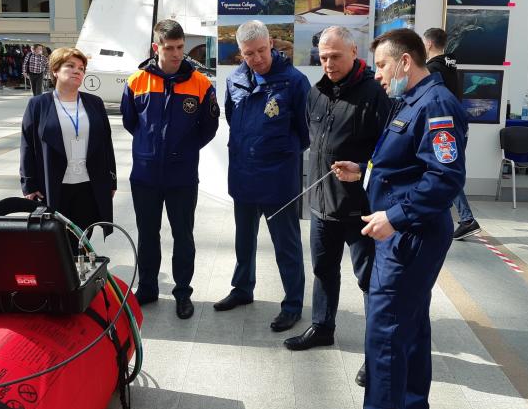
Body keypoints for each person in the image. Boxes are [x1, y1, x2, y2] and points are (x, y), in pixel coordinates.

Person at [335, 29, 467, 409]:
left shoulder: (437, 104)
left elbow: (444, 177)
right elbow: (404, 164)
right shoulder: (412, 101)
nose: (376, 75)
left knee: (386, 332)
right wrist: (363, 170)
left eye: (381, 66)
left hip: (410, 234)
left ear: (405, 62)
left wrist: (396, 216)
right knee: (410, 323)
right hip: (406, 230)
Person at [284, 27, 390, 380]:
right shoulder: (316, 92)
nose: (328, 63)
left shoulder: (376, 95)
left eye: (335, 56)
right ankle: (322, 327)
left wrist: (362, 170)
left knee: (370, 282)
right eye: (323, 57)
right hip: (322, 206)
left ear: (353, 51)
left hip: (362, 209)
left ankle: (374, 353)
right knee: (323, 271)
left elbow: (388, 153)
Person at [214, 20, 310, 333]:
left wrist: (278, 150)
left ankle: (293, 304)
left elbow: (305, 132)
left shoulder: (293, 81)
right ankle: (242, 289)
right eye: (248, 53)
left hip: (279, 177)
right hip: (244, 173)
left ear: (271, 44)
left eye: (261, 51)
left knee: (287, 245)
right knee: (244, 240)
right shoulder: (235, 80)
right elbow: (232, 118)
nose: (257, 58)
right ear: (239, 53)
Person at [121, 19, 219, 320]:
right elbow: (130, 122)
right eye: (170, 48)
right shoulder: (136, 81)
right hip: (145, 175)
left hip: (182, 176)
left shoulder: (201, 84)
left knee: (183, 235)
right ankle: (148, 288)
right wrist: (149, 149)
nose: (177, 54)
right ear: (156, 47)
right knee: (148, 234)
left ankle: (182, 292)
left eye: (180, 47)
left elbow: (209, 127)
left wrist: (184, 150)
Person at [20, 47, 117, 254]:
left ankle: (78, 280)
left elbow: (106, 144)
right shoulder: (38, 104)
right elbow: (27, 145)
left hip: (87, 185)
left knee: (81, 239)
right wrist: (28, 183)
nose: (77, 71)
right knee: (55, 240)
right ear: (55, 70)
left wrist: (112, 179)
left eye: (81, 68)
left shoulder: (94, 103)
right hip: (54, 185)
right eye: (70, 66)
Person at [423, 27, 479, 240]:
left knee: (444, 172)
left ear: (428, 44)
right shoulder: (450, 65)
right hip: (456, 125)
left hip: (442, 128)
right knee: (444, 171)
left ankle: (466, 219)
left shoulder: (432, 68)